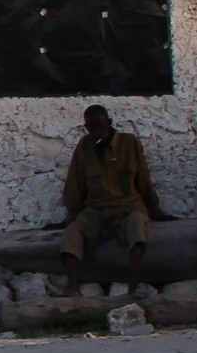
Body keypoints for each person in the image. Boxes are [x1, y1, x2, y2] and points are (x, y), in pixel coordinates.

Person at [57, 105, 169, 284]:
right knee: (71, 234)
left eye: (101, 126)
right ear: (87, 128)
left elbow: (143, 179)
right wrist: (70, 217)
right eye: (93, 128)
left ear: (109, 123)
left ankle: (135, 283)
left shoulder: (129, 143)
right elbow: (75, 183)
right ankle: (72, 286)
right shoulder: (84, 147)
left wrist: (156, 211)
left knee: (137, 226)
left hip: (128, 206)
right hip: (96, 209)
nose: (98, 132)